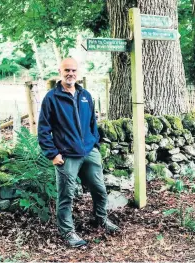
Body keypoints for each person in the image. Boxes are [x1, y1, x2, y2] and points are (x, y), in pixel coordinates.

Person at [38, 58, 119, 247]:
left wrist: (95, 145)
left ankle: (101, 218)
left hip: (89, 152)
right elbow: (43, 129)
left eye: (74, 70)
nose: (70, 73)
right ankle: (68, 232)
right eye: (67, 70)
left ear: (78, 72)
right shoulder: (52, 98)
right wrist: (53, 154)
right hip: (66, 155)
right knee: (66, 195)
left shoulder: (85, 95)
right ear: (60, 71)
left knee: (99, 189)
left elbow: (92, 123)